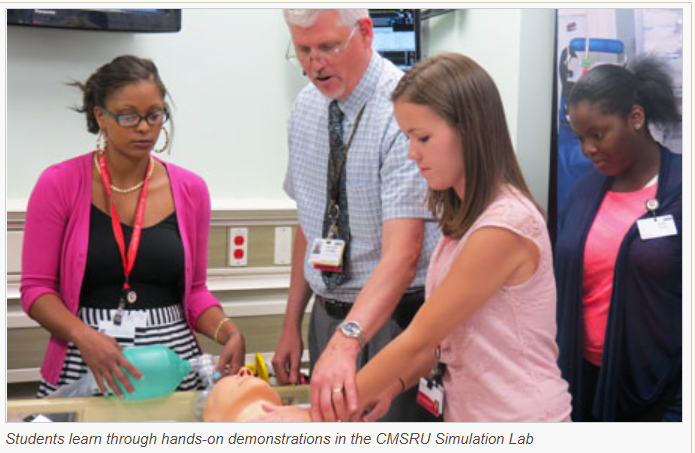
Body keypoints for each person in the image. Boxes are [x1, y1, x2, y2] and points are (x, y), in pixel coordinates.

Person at [268, 53, 572, 422]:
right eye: (408, 137)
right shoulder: (462, 220)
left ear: (470, 130)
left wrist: (314, 419)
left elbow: (421, 337)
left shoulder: (504, 227)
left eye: (423, 138)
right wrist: (393, 384)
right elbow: (450, 339)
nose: (413, 154)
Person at [20, 55, 245, 398]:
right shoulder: (59, 184)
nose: (143, 127)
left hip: (172, 367)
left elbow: (195, 291)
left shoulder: (190, 189)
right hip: (89, 362)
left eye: (154, 115)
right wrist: (84, 336)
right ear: (100, 117)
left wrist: (229, 332)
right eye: (128, 116)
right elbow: (36, 290)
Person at [273, 9, 439, 422]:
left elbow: (402, 255)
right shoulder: (306, 106)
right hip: (327, 317)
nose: (315, 63)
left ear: (365, 33)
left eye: (328, 46)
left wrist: (347, 342)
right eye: (303, 49)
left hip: (394, 322)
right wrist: (291, 323)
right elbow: (309, 223)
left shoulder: (402, 110)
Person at [555, 57, 682, 421]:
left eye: (598, 134)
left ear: (636, 118)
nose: (587, 149)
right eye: (581, 137)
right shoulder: (583, 193)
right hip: (581, 377)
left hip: (662, 390)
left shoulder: (681, 192)